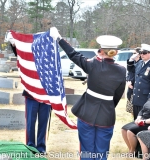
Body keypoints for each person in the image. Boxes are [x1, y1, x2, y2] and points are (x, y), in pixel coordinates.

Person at [50, 27, 126, 160]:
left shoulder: (93, 64)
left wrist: (59, 39)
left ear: (101, 51)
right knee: (101, 152)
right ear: (115, 52)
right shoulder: (121, 70)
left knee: (86, 151)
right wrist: (108, 106)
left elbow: (73, 54)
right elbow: (118, 95)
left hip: (87, 112)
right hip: (107, 114)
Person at [8, 37, 51, 155]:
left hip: (45, 96)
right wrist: (13, 44)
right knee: (31, 122)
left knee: (43, 122)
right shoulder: (29, 57)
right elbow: (20, 54)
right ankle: (31, 146)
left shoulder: (50, 59)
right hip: (31, 95)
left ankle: (41, 147)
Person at [121, 79, 150, 154]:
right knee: (124, 129)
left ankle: (133, 151)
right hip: (142, 120)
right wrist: (138, 117)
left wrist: (144, 121)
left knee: (130, 131)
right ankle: (131, 149)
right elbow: (143, 110)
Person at [127, 44, 150, 120]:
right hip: (136, 97)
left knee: (143, 120)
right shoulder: (139, 63)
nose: (142, 54)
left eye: (144, 52)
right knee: (136, 119)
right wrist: (131, 61)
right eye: (141, 52)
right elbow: (132, 71)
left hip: (145, 97)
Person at [126, 47, 141, 115]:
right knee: (130, 107)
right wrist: (128, 81)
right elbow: (129, 73)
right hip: (130, 86)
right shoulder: (133, 62)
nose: (133, 55)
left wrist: (132, 83)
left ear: (139, 54)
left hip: (136, 87)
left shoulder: (141, 63)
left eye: (134, 53)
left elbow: (137, 75)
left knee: (135, 108)